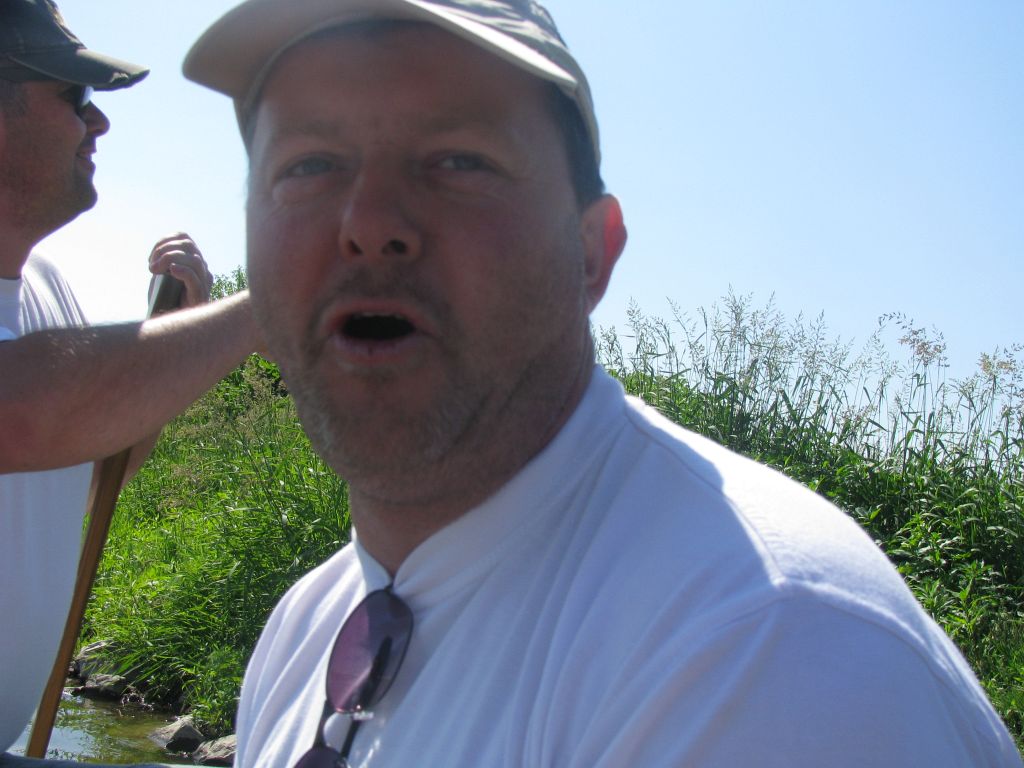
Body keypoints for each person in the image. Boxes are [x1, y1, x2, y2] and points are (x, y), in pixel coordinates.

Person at [184, 1, 1023, 766]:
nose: (369, 224)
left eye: (458, 160)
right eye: (309, 165)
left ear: (591, 253)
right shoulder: (303, 631)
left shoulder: (760, 650)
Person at [0, 0, 258, 752]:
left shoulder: (46, 285)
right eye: (74, 94)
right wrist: (273, 303)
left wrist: (174, 330)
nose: (99, 122)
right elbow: (19, 417)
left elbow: (89, 472)